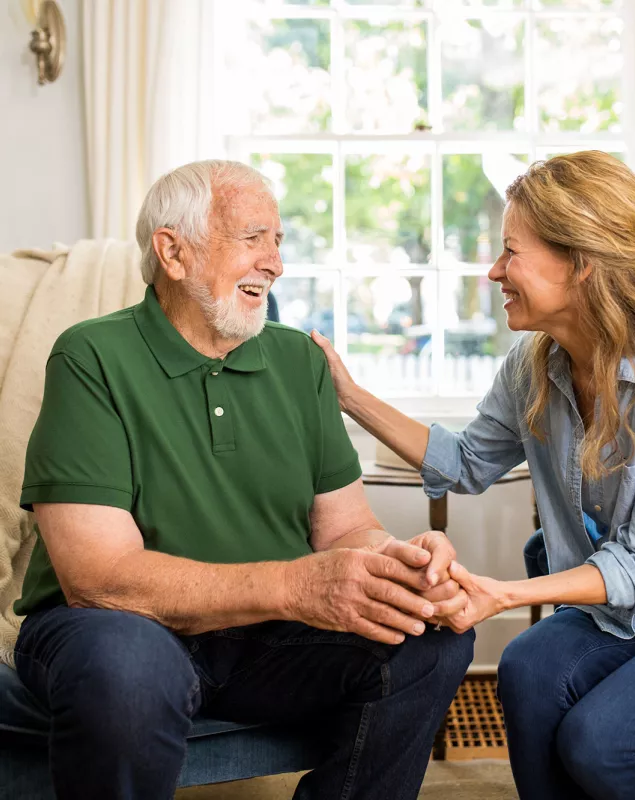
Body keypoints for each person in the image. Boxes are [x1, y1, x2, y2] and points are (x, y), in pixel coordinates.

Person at [312, 150, 635, 800]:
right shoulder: (533, 367)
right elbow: (464, 462)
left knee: (604, 741)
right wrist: (348, 394)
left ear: (579, 263)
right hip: (630, 614)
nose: (493, 271)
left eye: (510, 252)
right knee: (529, 667)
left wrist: (500, 594)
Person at [13, 160, 474, 800]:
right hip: (121, 626)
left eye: (278, 242)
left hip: (265, 635)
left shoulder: (298, 362)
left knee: (429, 632)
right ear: (172, 252)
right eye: (253, 238)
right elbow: (96, 577)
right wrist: (293, 585)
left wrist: (397, 565)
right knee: (127, 666)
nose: (276, 263)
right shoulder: (91, 355)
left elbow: (345, 528)